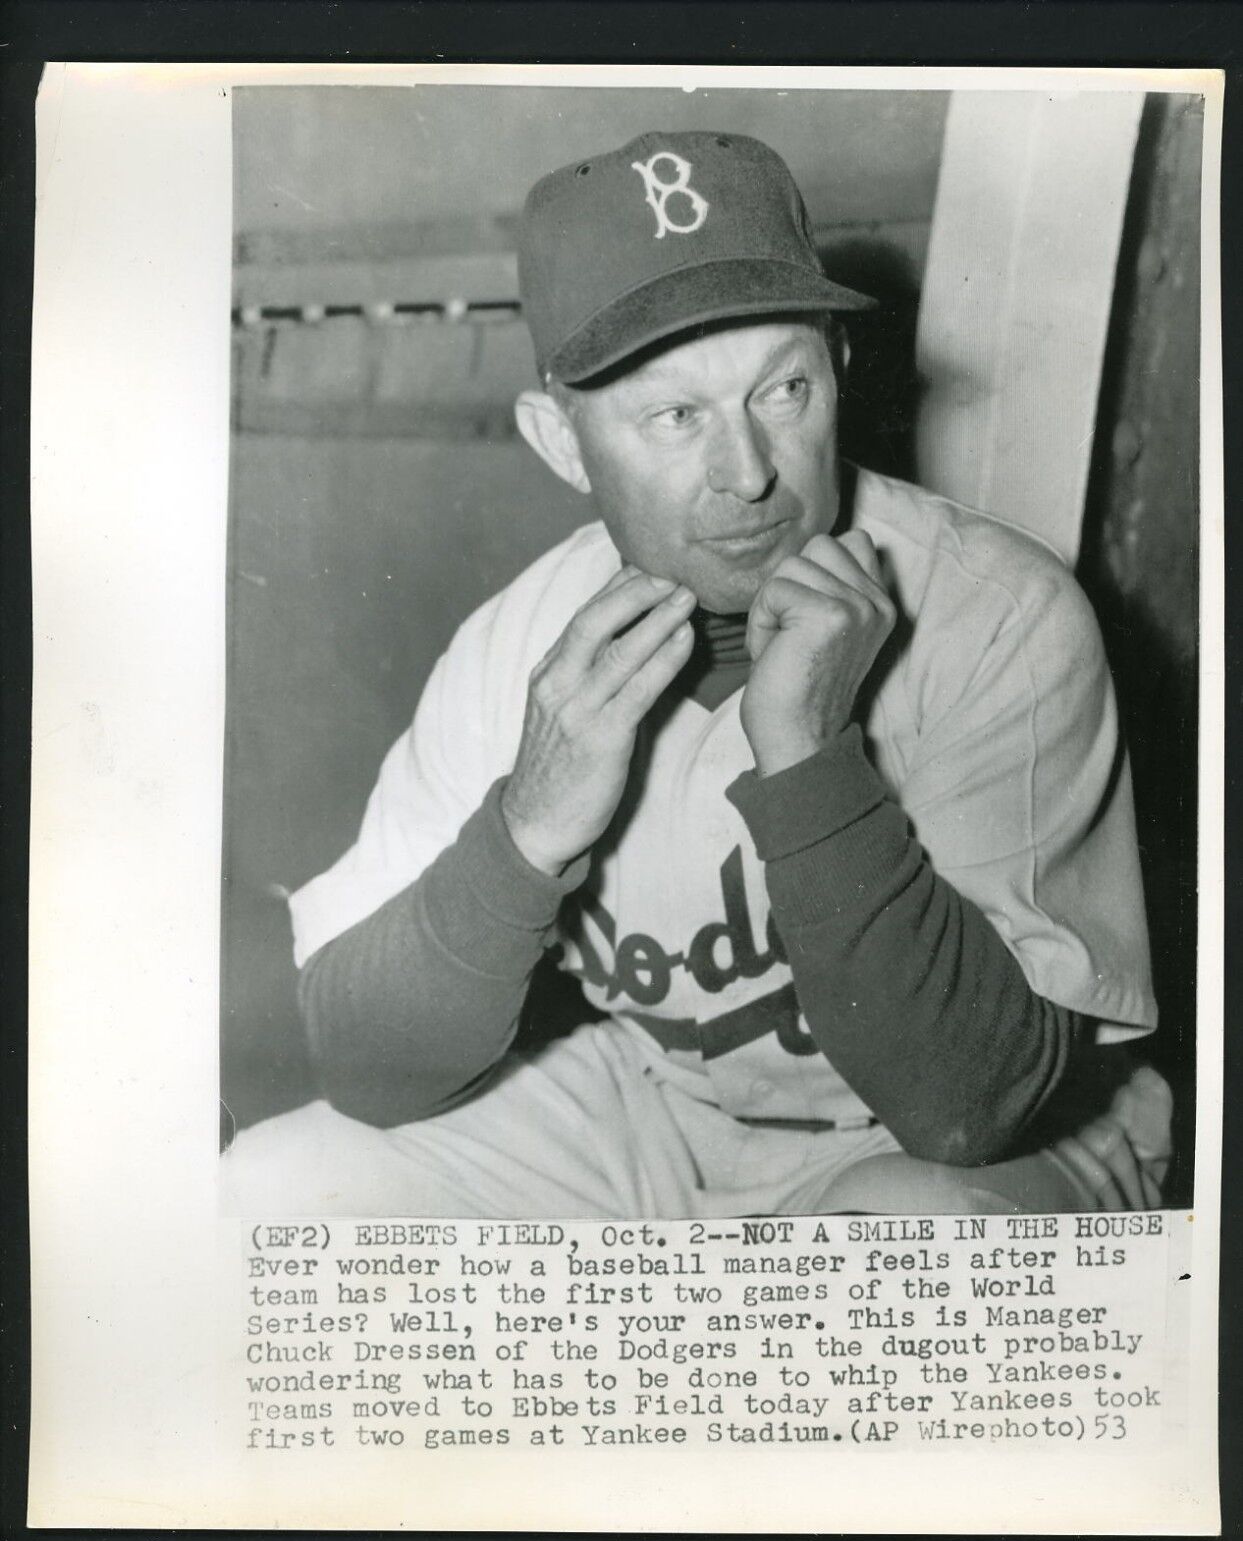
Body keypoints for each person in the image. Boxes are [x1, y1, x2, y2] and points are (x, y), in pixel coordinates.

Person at [223, 130, 1170, 1219]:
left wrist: (809, 758)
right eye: (676, 416)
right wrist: (523, 830)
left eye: (783, 390)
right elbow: (365, 1069)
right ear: (561, 442)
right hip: (664, 1110)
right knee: (278, 1187)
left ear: (839, 369)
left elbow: (969, 1108)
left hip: (970, 1143)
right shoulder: (515, 645)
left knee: (896, 1237)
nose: (750, 472)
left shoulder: (997, 614)